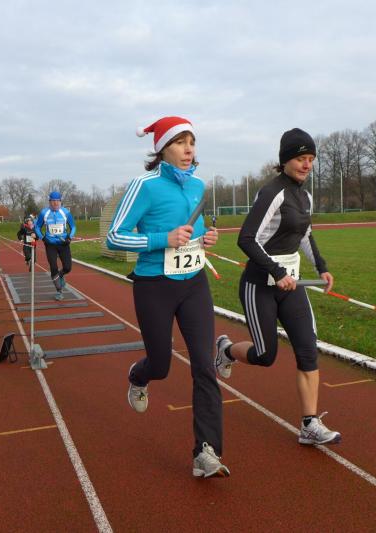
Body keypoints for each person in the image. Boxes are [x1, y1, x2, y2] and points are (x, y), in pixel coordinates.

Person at [107, 116, 228, 478]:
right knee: (161, 365)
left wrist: (205, 240)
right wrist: (164, 239)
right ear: (162, 149)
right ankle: (138, 375)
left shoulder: (198, 185)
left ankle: (206, 451)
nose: (189, 149)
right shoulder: (144, 186)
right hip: (154, 286)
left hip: (194, 284)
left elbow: (194, 232)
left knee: (204, 367)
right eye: (180, 142)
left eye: (192, 142)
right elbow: (114, 236)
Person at [213, 127, 341, 448]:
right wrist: (276, 270)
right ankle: (226, 350)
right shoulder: (273, 193)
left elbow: (305, 235)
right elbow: (246, 239)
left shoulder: (305, 196)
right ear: (285, 160)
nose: (307, 164)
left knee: (308, 350)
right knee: (265, 355)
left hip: (291, 285)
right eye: (300, 158)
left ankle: (309, 424)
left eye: (311, 158)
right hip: (260, 285)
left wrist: (322, 267)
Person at [35, 191, 76, 300]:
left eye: (58, 201)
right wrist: (43, 238)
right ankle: (59, 291)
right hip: (50, 244)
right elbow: (37, 227)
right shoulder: (44, 213)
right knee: (53, 267)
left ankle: (60, 275)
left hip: (63, 244)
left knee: (67, 268)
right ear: (49, 202)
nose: (55, 203)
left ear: (60, 202)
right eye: (53, 201)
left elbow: (73, 227)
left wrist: (69, 237)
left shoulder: (65, 212)